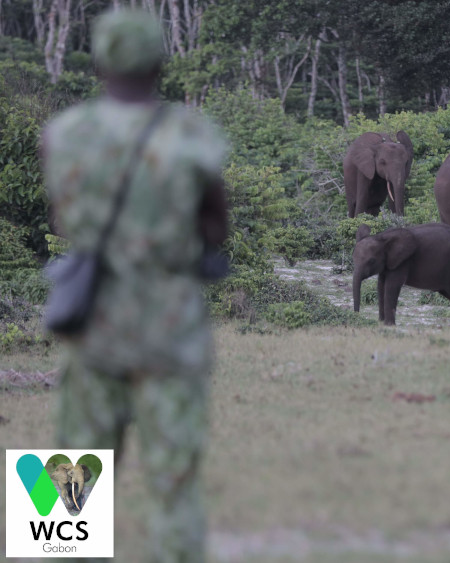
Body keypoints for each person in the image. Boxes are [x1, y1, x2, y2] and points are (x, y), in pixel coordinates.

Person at [41, 9, 228, 563]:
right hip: (170, 330)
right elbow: (216, 227)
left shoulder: (65, 133)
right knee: (175, 485)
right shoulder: (192, 134)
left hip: (93, 325)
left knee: (69, 482)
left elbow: (62, 221)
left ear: (98, 61)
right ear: (159, 63)